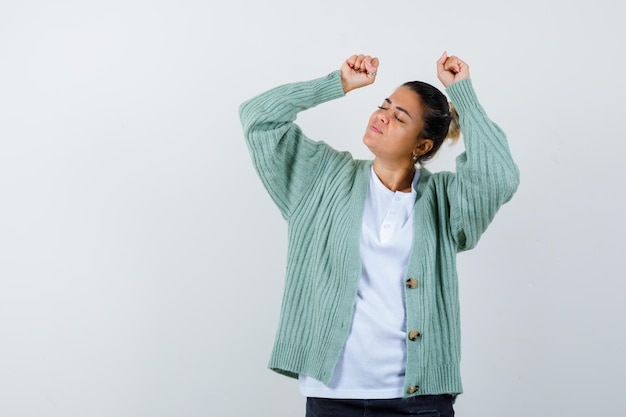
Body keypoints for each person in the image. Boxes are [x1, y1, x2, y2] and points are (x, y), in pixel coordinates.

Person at [239, 52, 519, 417]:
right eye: (384, 105)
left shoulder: (445, 202)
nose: (382, 116)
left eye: (399, 117)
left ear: (422, 146)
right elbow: (258, 119)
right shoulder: (320, 179)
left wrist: (463, 95)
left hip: (419, 403)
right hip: (332, 398)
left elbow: (499, 176)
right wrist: (335, 83)